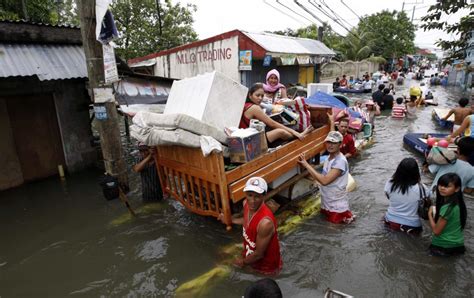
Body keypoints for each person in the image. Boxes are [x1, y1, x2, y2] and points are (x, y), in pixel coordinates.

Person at [219, 177, 282, 275]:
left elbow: (259, 254)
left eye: (257, 196)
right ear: (246, 195)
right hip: (250, 253)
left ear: (264, 196)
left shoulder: (265, 223)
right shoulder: (246, 204)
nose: (252, 201)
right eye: (250, 195)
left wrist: (242, 262)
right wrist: (230, 220)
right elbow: (247, 220)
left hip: (265, 267)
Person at [298, 131, 355, 224]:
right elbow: (324, 177)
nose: (330, 145)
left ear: (340, 144)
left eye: (334, 143)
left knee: (333, 232)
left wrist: (306, 165)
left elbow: (324, 181)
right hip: (327, 202)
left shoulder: (340, 161)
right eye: (329, 142)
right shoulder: (329, 157)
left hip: (337, 207)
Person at [239, 83, 313, 144]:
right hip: (251, 141)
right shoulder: (254, 108)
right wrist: (294, 132)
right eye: (257, 95)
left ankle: (297, 133)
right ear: (250, 95)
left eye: (262, 96)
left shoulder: (246, 105)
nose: (260, 98)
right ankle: (300, 134)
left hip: (249, 136)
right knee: (281, 132)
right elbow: (273, 124)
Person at [428, 173, 467, 257]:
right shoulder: (459, 204)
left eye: (447, 186)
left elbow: (436, 231)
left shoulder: (447, 207)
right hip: (458, 245)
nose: (442, 188)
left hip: (442, 246)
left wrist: (429, 215)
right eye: (440, 185)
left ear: (457, 189)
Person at [384, 158, 426, 234]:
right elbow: (426, 203)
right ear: (416, 172)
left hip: (390, 221)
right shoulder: (422, 188)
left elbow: (388, 196)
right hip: (411, 226)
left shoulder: (390, 183)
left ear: (398, 170)